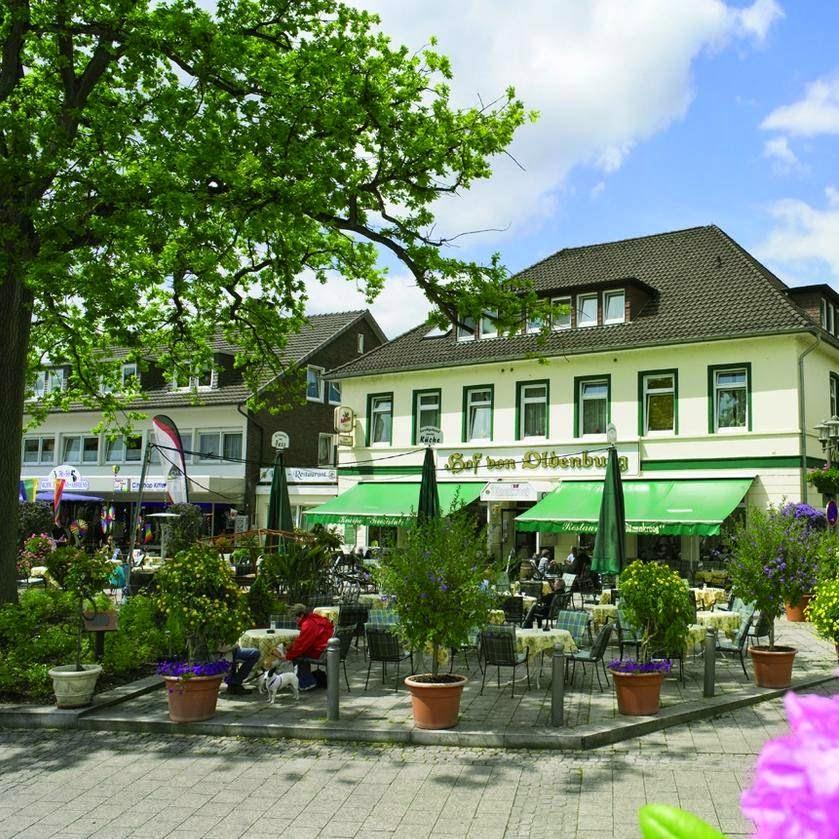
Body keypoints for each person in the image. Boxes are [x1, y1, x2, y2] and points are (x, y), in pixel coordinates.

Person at [283, 603, 334, 691]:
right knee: (297, 650)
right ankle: (307, 679)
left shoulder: (307, 624)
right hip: (327, 649)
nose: (295, 621)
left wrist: (288, 656)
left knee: (297, 655)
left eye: (295, 618)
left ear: (301, 615)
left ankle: (306, 683)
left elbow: (301, 646)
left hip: (321, 652)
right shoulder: (314, 618)